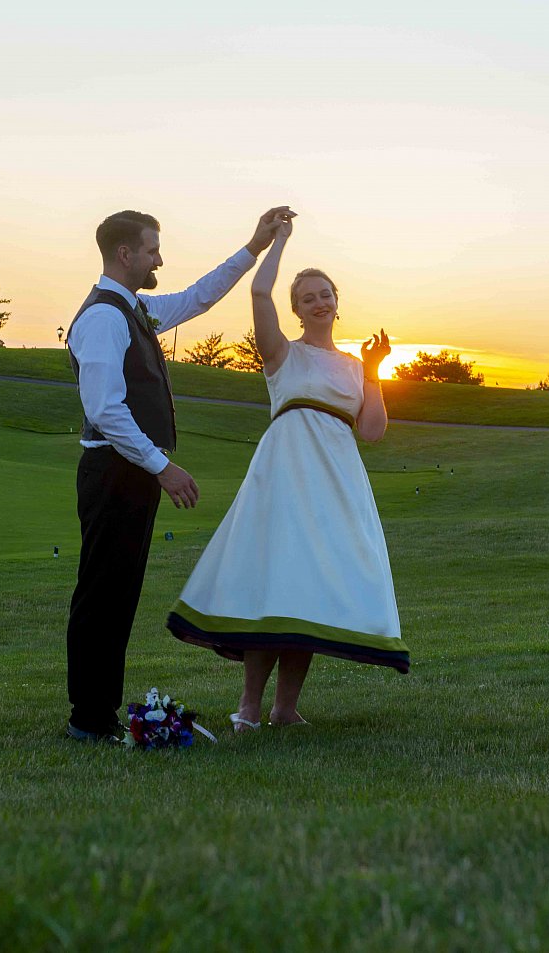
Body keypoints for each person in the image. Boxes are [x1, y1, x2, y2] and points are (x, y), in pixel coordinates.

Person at [165, 215, 409, 732]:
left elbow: (371, 431)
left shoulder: (351, 366)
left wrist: (374, 371)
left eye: (326, 295)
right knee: (277, 585)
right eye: (309, 298)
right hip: (285, 478)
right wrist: (278, 243)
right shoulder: (283, 355)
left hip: (337, 485)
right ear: (296, 310)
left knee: (310, 592)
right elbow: (258, 292)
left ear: (337, 302)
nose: (320, 302)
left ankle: (285, 708)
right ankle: (249, 707)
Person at [65, 206, 296, 742]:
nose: (159, 259)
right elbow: (105, 410)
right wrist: (162, 466)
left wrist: (253, 247)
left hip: (129, 475)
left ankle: (98, 712)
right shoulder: (103, 317)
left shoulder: (133, 308)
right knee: (102, 594)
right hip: (113, 474)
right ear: (125, 254)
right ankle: (89, 718)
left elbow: (198, 297)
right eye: (151, 249)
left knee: (119, 594)